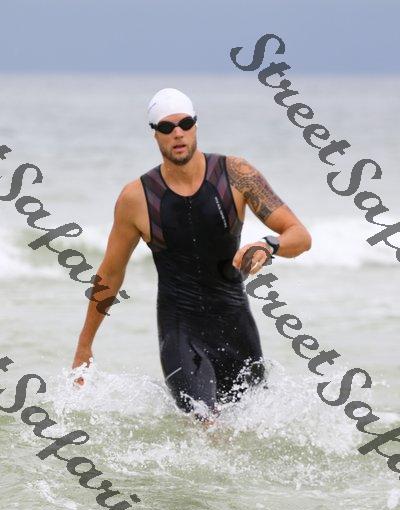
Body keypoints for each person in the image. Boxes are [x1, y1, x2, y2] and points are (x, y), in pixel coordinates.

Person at [72, 88, 312, 423]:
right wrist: (84, 346)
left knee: (251, 427)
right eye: (166, 127)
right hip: (180, 329)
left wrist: (268, 245)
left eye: (185, 123)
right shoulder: (136, 198)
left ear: (196, 125)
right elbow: (110, 274)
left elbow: (300, 236)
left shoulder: (236, 174)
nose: (178, 133)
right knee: (205, 422)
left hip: (236, 325)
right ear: (155, 134)